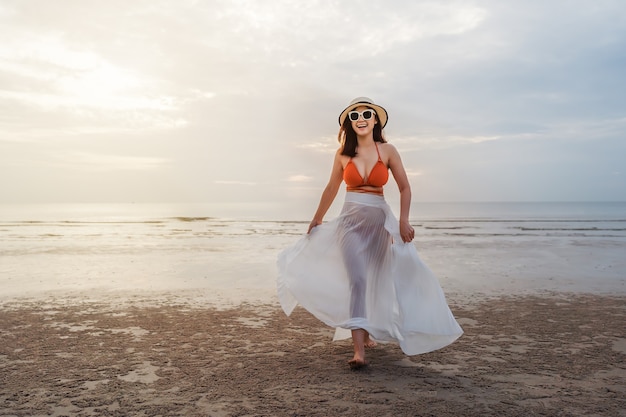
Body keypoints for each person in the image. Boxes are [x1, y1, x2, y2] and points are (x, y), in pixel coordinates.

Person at [277, 97, 463, 369]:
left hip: (379, 223)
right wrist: (317, 217)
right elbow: (331, 188)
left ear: (375, 120)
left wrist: (404, 221)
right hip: (349, 223)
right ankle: (358, 352)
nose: (361, 118)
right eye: (355, 115)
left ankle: (366, 333)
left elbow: (405, 188)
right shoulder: (342, 154)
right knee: (358, 280)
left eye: (366, 114)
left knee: (376, 279)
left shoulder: (387, 151)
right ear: (349, 124)